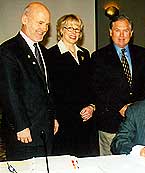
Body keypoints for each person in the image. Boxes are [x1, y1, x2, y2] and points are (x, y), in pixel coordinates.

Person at [0, 2, 59, 161]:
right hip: (24, 134)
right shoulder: (8, 50)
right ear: (25, 19)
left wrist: (52, 117)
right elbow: (10, 93)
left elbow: (47, 89)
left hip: (45, 130)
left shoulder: (44, 52)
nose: (44, 28)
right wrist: (21, 126)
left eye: (47, 24)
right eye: (40, 23)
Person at [91, 14, 145, 155]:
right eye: (117, 30)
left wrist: (136, 108)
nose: (122, 35)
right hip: (110, 122)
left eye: (125, 31)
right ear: (110, 32)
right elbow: (98, 89)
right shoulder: (98, 56)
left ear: (131, 33)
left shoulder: (143, 54)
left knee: (137, 159)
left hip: (139, 122)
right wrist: (119, 106)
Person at [45, 14, 98, 157]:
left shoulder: (84, 54)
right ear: (61, 30)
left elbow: (92, 85)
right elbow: (49, 91)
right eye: (70, 28)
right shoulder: (50, 55)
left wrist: (92, 106)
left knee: (87, 162)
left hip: (86, 118)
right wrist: (53, 117)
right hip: (64, 121)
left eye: (77, 29)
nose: (74, 32)